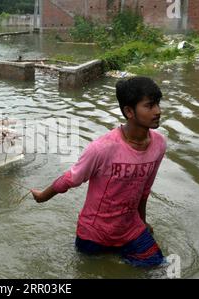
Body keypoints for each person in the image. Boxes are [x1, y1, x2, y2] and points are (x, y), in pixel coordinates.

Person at [31, 77, 166, 267]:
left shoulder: (159, 145)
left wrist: (143, 222)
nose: (158, 111)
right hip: (94, 233)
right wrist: (43, 196)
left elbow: (144, 191)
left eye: (158, 104)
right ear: (129, 111)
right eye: (150, 106)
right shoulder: (102, 148)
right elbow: (71, 178)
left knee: (158, 267)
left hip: (130, 229)